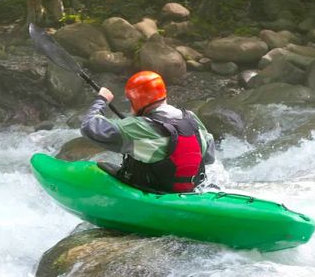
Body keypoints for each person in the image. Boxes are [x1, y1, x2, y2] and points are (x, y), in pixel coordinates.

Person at [80, 70, 216, 193]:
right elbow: (209, 157)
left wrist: (101, 100)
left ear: (137, 102)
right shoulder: (191, 118)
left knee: (103, 166)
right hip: (192, 190)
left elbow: (88, 127)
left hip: (151, 190)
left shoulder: (138, 127)